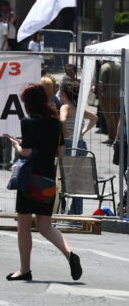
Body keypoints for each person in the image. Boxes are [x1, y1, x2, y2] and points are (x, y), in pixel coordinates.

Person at [4, 84, 81, 282]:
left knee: (23, 226)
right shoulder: (55, 123)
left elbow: (27, 152)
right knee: (46, 226)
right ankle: (70, 254)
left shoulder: (27, 122)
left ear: (29, 104)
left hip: (29, 179)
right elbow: (61, 152)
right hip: (47, 179)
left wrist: (16, 144)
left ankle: (24, 269)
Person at [58, 81, 96, 215]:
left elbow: (62, 120)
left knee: (65, 178)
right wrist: (82, 132)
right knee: (77, 180)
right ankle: (76, 211)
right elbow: (94, 118)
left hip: (68, 144)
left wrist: (65, 133)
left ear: (63, 94)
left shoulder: (65, 107)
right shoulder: (78, 109)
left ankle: (63, 208)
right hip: (80, 144)